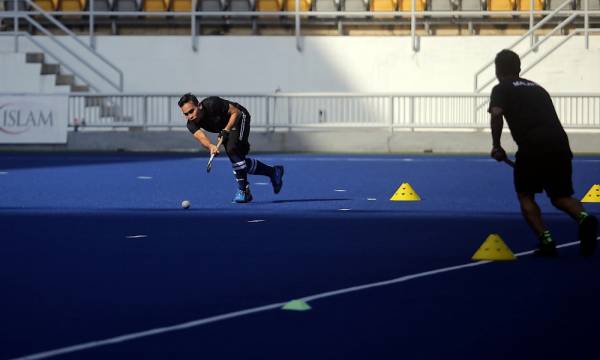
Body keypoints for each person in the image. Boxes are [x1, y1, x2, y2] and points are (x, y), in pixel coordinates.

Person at [488, 49, 597, 257]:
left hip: (532, 147)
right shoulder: (538, 88)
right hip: (560, 145)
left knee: (525, 194)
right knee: (561, 196)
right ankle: (584, 217)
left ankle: (546, 240)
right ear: (519, 68)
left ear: (497, 70)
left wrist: (496, 145)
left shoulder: (501, 88)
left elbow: (496, 114)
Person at [178, 93, 284, 203]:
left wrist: (226, 130)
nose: (190, 116)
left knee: (233, 150)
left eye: (191, 111)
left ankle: (243, 191)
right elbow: (201, 137)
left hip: (239, 118)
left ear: (199, 106)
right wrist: (211, 146)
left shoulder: (212, 103)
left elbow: (236, 112)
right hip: (225, 128)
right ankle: (273, 171)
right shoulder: (191, 123)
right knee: (238, 160)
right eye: (186, 114)